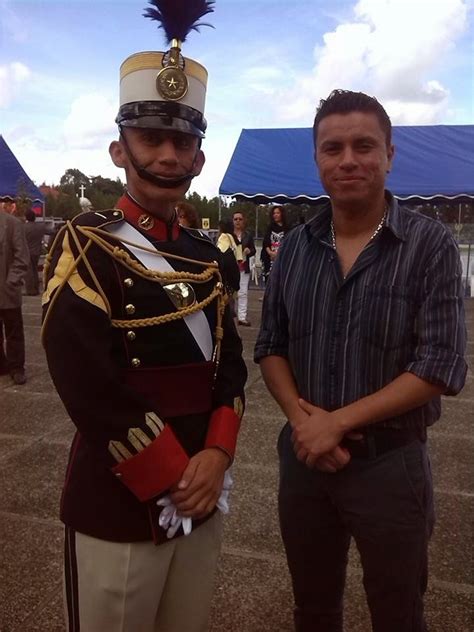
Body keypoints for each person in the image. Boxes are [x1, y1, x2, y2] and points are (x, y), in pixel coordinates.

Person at [42, 3, 247, 631]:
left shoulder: (212, 257)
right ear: (118, 149)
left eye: (182, 141)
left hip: (202, 494)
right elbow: (85, 382)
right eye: (151, 138)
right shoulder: (85, 243)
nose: (166, 154)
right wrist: (170, 474)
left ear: (199, 161)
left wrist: (215, 458)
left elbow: (230, 372)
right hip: (119, 497)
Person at [254, 89, 467, 632]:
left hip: (390, 466)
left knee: (398, 613)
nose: (348, 159)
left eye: (364, 146)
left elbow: (441, 364)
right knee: (314, 608)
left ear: (390, 155)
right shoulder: (296, 247)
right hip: (304, 463)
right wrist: (305, 425)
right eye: (333, 148)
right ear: (318, 159)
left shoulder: (429, 244)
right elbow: (270, 345)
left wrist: (337, 424)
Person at [0, 206, 29, 384]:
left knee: (13, 331)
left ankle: (17, 367)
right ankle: (1, 365)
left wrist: (12, 281)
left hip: (7, 289)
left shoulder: (12, 223)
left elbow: (21, 256)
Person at [232, 210, 256, 326]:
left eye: (240, 219)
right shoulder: (227, 236)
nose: (238, 221)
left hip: (243, 268)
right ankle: (229, 316)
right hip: (230, 268)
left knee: (243, 293)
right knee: (229, 294)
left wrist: (249, 251)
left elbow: (254, 250)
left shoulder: (248, 235)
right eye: (235, 219)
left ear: (243, 221)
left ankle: (242, 317)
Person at [261, 205, 290, 284]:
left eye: (277, 213)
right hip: (271, 257)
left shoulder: (287, 228)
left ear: (282, 214)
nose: (275, 215)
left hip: (283, 257)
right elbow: (266, 242)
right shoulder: (270, 227)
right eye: (274, 213)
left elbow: (289, 244)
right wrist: (270, 252)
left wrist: (279, 254)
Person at [24, 207, 46, 296]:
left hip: (27, 252)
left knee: (29, 272)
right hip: (37, 252)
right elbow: (51, 231)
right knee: (35, 271)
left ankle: (30, 290)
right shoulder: (40, 227)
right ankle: (36, 289)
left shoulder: (24, 227)